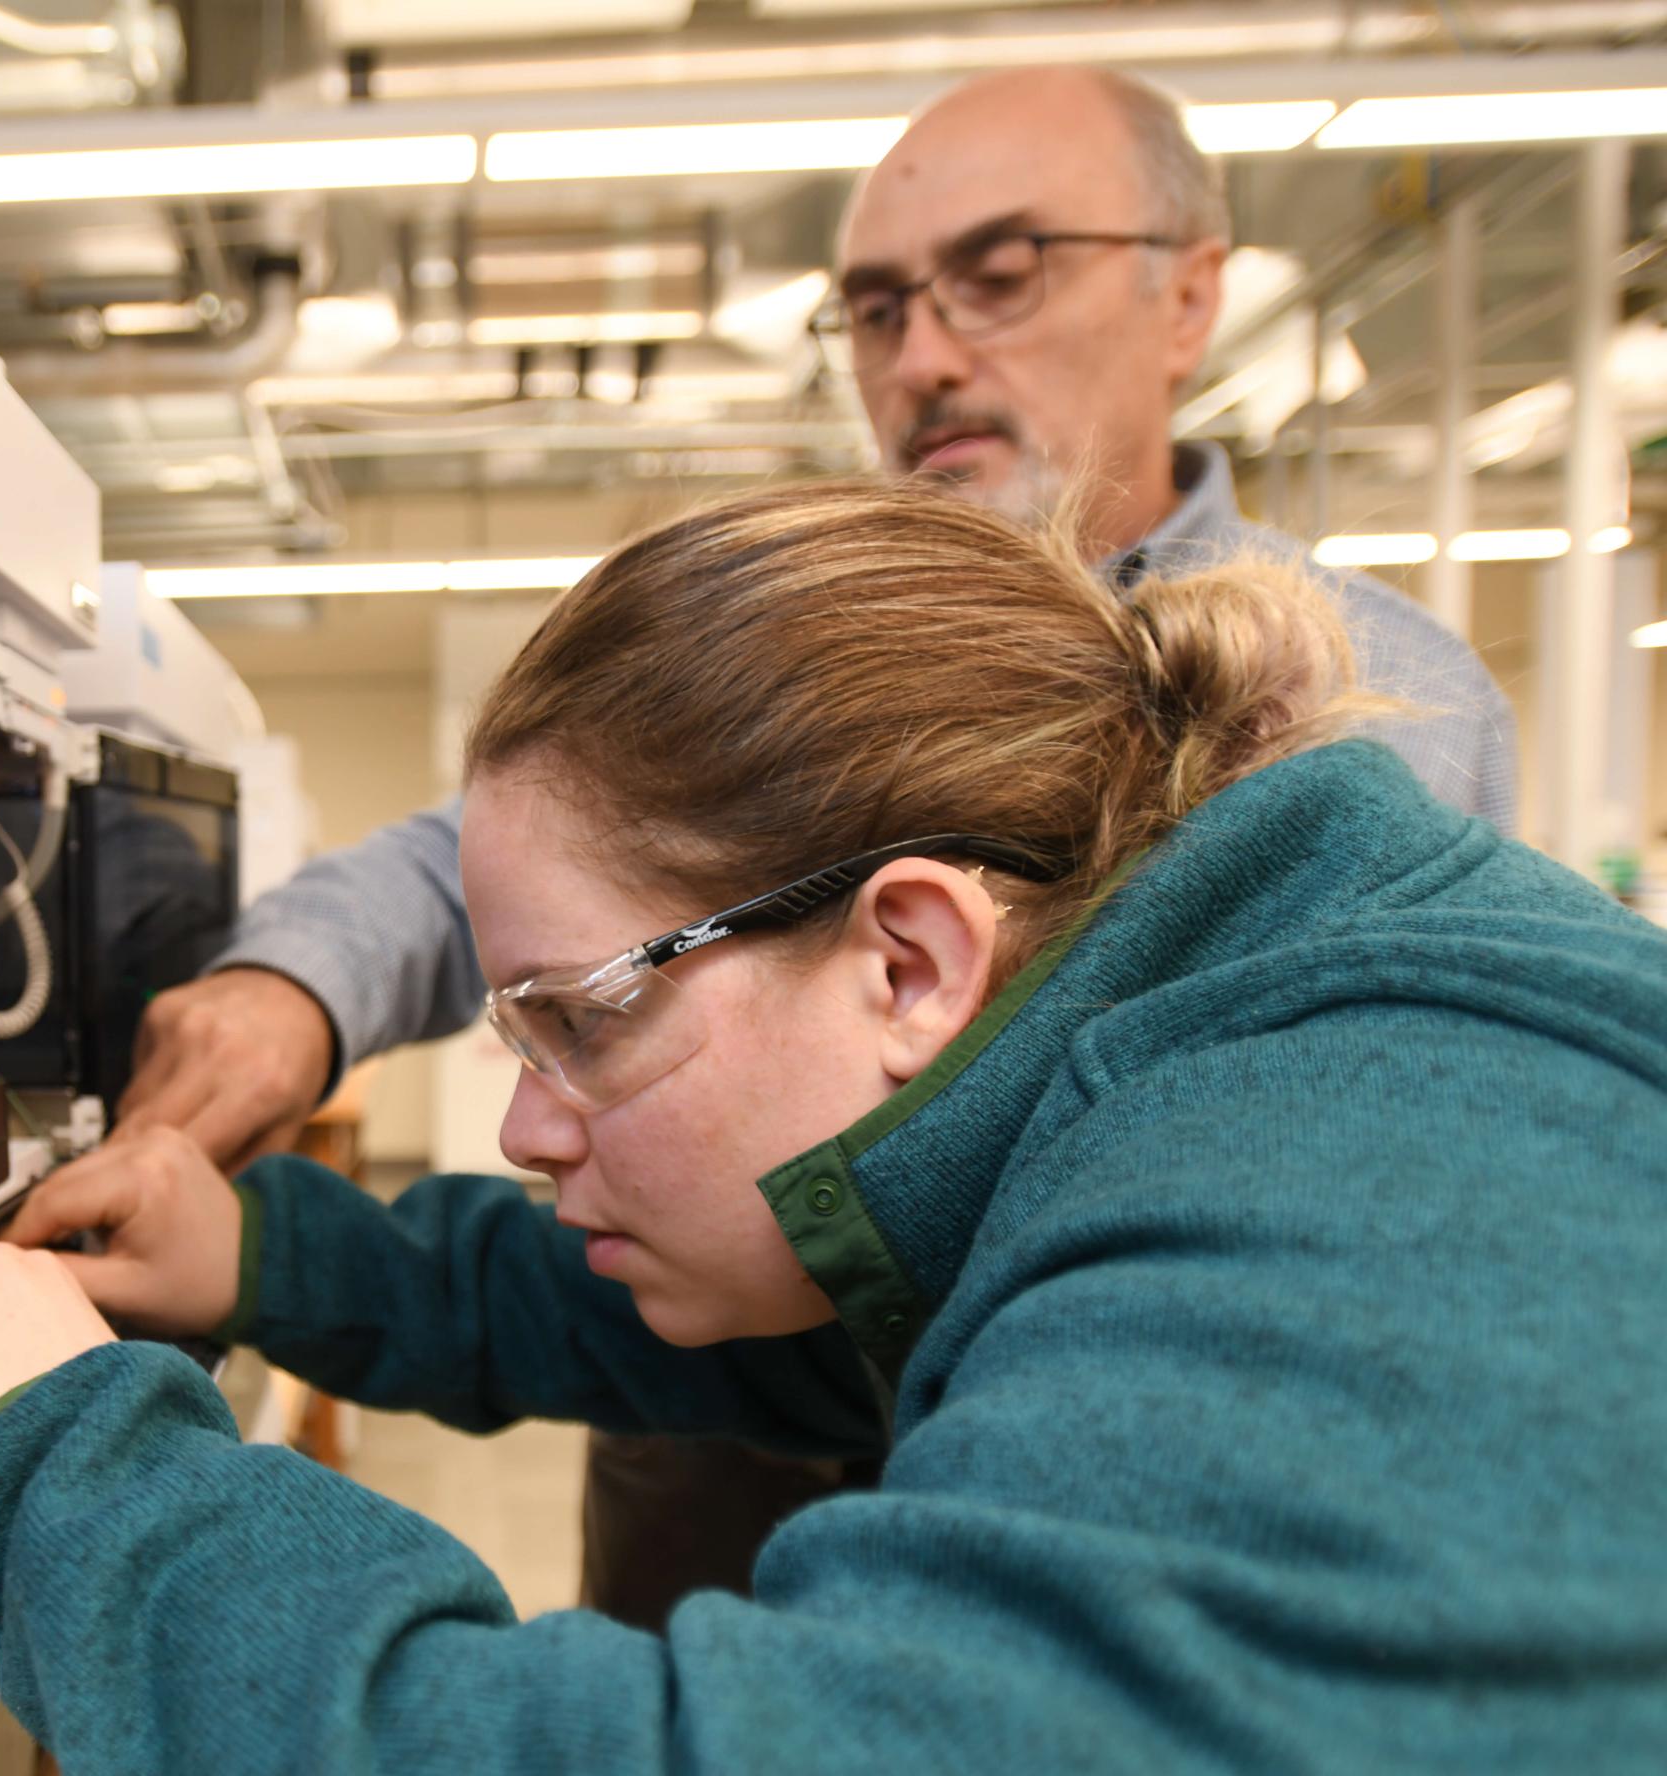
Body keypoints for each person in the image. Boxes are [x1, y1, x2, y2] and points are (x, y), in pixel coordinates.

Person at [0, 481, 1667, 1776]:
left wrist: (67, 1445)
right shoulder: (1197, 1030)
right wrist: (265, 1250)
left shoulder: (1353, 1194)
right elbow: (841, 1307)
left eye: (577, 1020)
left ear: (908, 955)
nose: (519, 1129)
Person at [107, 65, 1519, 1625]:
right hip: (743, 1430)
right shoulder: (805, 641)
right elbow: (530, 869)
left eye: (997, 278)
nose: (924, 356)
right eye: (874, 309)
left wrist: (85, 1475)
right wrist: (294, 994)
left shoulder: (1389, 710)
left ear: (1189, 296)